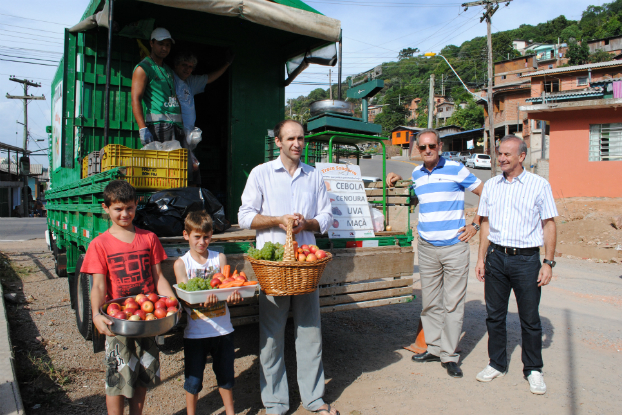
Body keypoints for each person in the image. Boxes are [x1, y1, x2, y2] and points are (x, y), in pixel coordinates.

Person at [237, 120, 338, 415]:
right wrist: (277, 220)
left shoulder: (313, 176)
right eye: (290, 138)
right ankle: (275, 403)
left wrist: (306, 223)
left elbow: (327, 216)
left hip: (306, 266)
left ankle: (314, 399)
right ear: (278, 142)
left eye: (301, 138)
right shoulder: (261, 173)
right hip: (275, 268)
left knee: (310, 333)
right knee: (271, 336)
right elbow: (245, 217)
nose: (297, 143)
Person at [386, 128, 483, 378]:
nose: (428, 150)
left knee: (452, 304)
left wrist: (475, 225)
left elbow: (487, 194)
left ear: (439, 146)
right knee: (430, 304)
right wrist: (396, 178)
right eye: (422, 147)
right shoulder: (417, 174)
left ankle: (449, 356)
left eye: (432, 146)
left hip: (454, 247)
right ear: (417, 150)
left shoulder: (456, 169)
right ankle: (434, 347)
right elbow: (415, 196)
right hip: (427, 248)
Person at [81, 180, 176, 415]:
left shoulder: (149, 238)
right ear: (106, 208)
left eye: (130, 208)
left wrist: (173, 303)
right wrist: (95, 315)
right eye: (118, 209)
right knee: (117, 379)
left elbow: (159, 278)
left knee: (144, 374)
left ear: (136, 206)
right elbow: (98, 285)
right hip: (117, 323)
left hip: (147, 319)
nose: (125, 214)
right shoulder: (99, 244)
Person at [475, 135, 558, 395]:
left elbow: (549, 224)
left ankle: (533, 368)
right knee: (494, 316)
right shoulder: (491, 186)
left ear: (521, 156)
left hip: (526, 260)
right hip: (496, 258)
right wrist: (481, 258)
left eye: (507, 154)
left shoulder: (539, 185)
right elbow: (485, 223)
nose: (501, 158)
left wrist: (548, 262)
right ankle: (496, 363)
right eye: (500, 153)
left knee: (530, 318)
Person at [173, 211, 242, 415]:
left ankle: (230, 412)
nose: (202, 242)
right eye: (197, 237)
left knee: (226, 377)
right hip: (196, 333)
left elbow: (226, 285)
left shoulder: (219, 258)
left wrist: (232, 296)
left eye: (206, 237)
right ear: (186, 235)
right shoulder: (181, 264)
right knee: (193, 379)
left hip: (223, 330)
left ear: (212, 235)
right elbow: (185, 295)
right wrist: (200, 300)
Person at [172, 50, 234, 184]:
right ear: (176, 65)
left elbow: (209, 78)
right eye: (184, 65)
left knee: (191, 168)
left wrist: (227, 64)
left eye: (190, 66)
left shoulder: (190, 82)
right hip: (174, 132)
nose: (187, 69)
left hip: (188, 135)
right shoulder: (169, 79)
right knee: (176, 170)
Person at [131, 28, 183, 146]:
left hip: (176, 126)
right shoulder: (143, 68)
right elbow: (135, 99)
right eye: (160, 44)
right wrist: (142, 128)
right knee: (162, 164)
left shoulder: (168, 70)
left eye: (167, 45)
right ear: (151, 43)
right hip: (159, 127)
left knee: (177, 164)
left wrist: (182, 125)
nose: (164, 48)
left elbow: (174, 97)